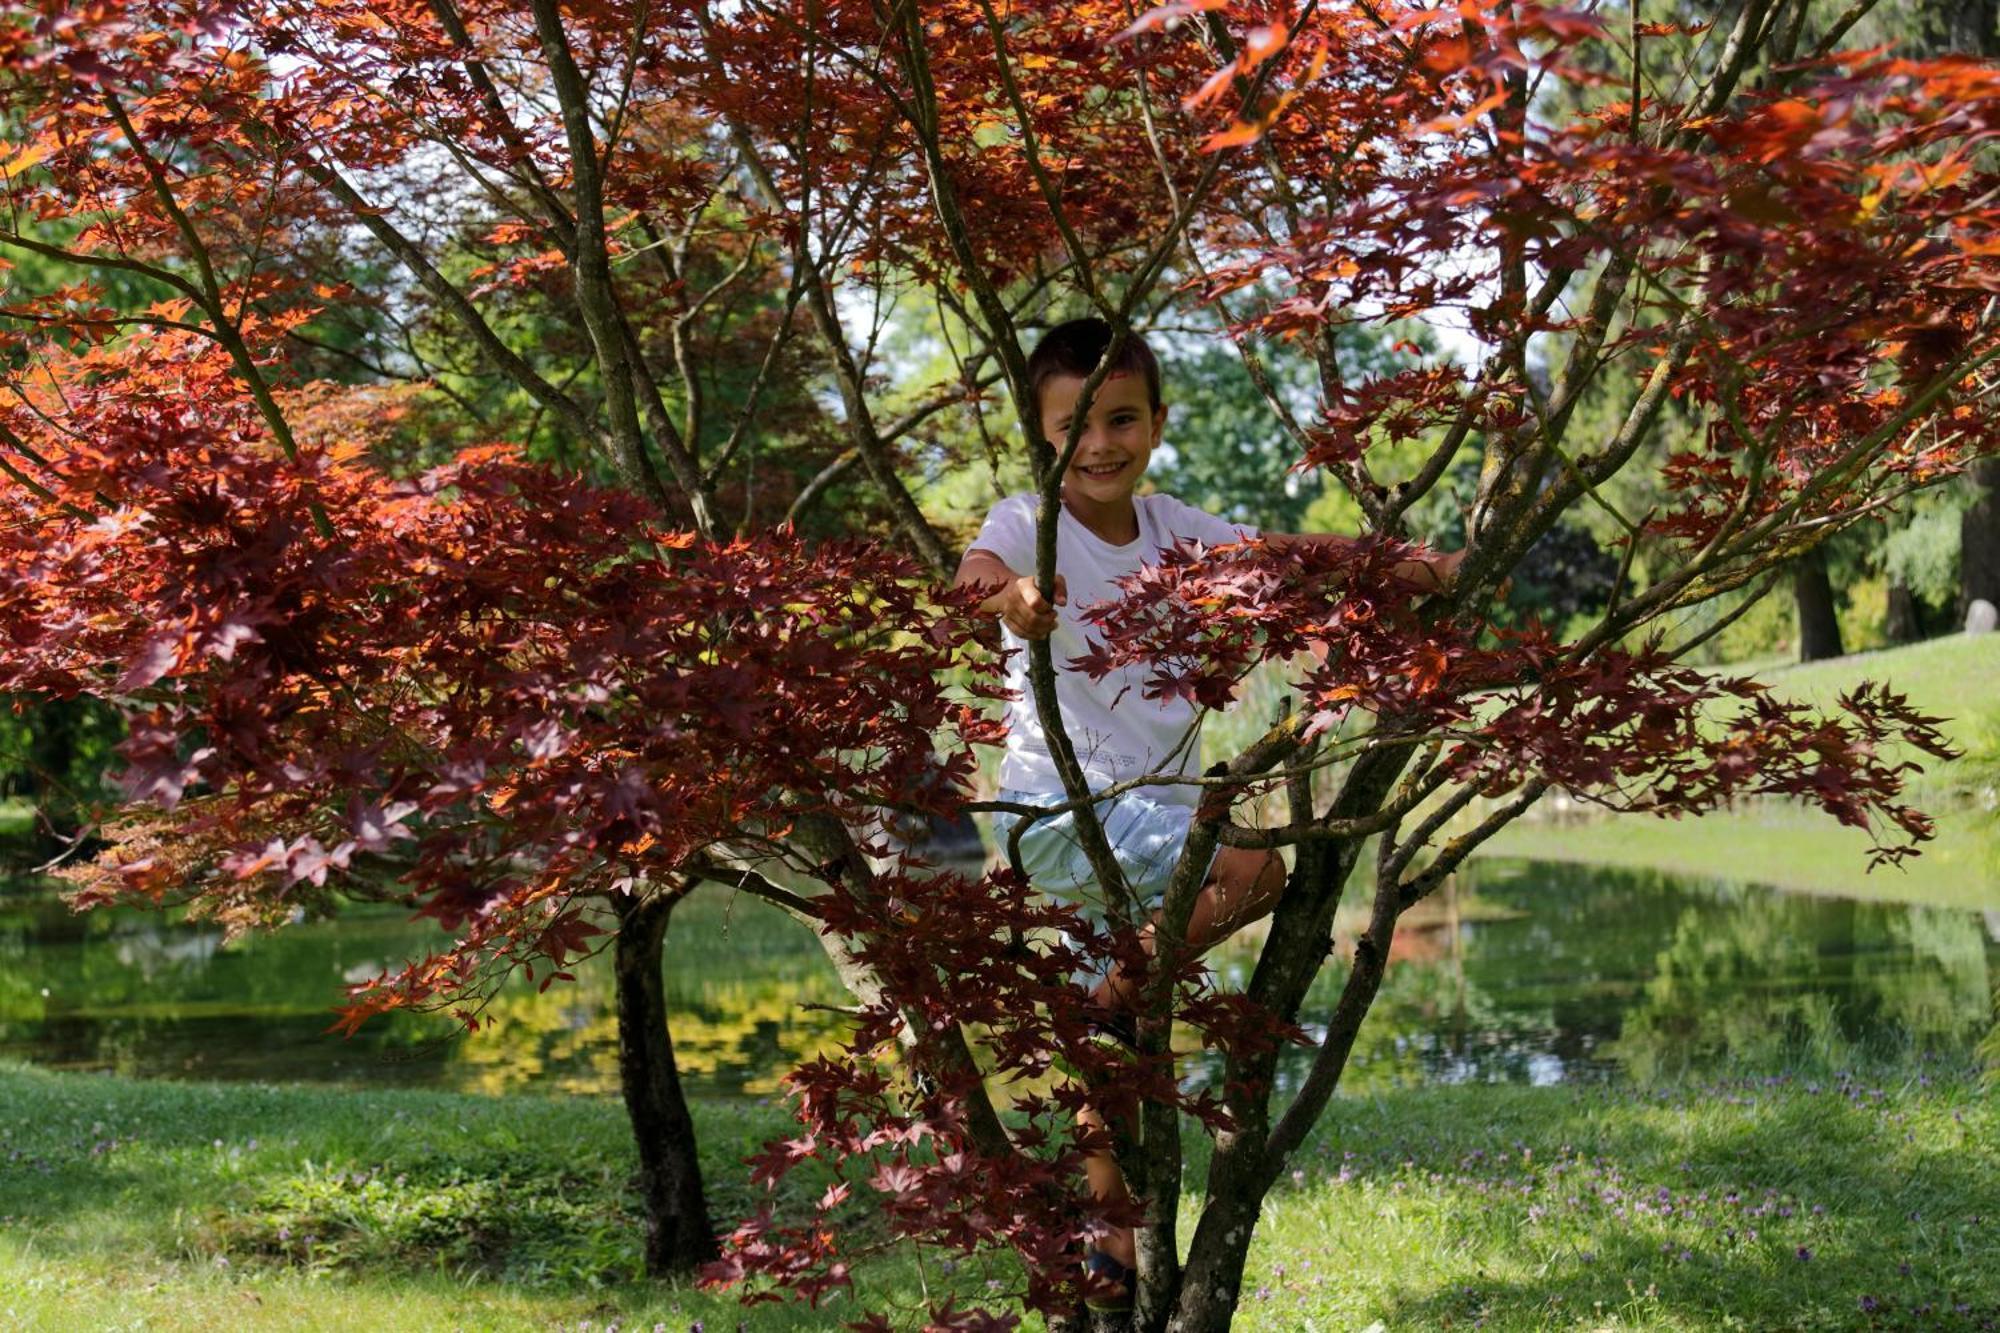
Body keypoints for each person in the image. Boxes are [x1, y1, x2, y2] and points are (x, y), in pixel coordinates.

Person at [953, 316, 1459, 1310]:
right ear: (1037, 431)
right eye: (1072, 425)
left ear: (1156, 421)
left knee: (1107, 1063)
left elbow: (1286, 559)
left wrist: (1400, 568)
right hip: (1063, 812)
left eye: (1121, 418)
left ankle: (1106, 1243)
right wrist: (1011, 599)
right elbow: (970, 578)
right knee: (1253, 872)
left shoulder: (1177, 532)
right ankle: (1119, 993)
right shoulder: (1027, 522)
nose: (1098, 443)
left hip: (1140, 829)